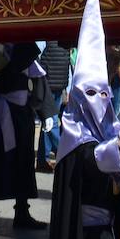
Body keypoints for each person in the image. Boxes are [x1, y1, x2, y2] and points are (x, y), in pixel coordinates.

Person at [49, 0, 120, 239]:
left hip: (109, 228)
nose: (97, 99)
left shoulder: (112, 128)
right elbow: (92, 158)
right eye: (89, 93)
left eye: (103, 93)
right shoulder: (73, 137)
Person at [0, 42, 47, 229]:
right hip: (3, 109)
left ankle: (22, 211)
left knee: (22, 162)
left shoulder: (22, 46)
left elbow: (36, 79)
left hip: (18, 111)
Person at [39, 41, 73, 171]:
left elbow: (68, 64)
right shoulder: (46, 38)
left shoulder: (64, 37)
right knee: (51, 122)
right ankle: (64, 153)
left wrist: (68, 87)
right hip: (47, 87)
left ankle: (43, 160)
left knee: (47, 123)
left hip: (59, 85)